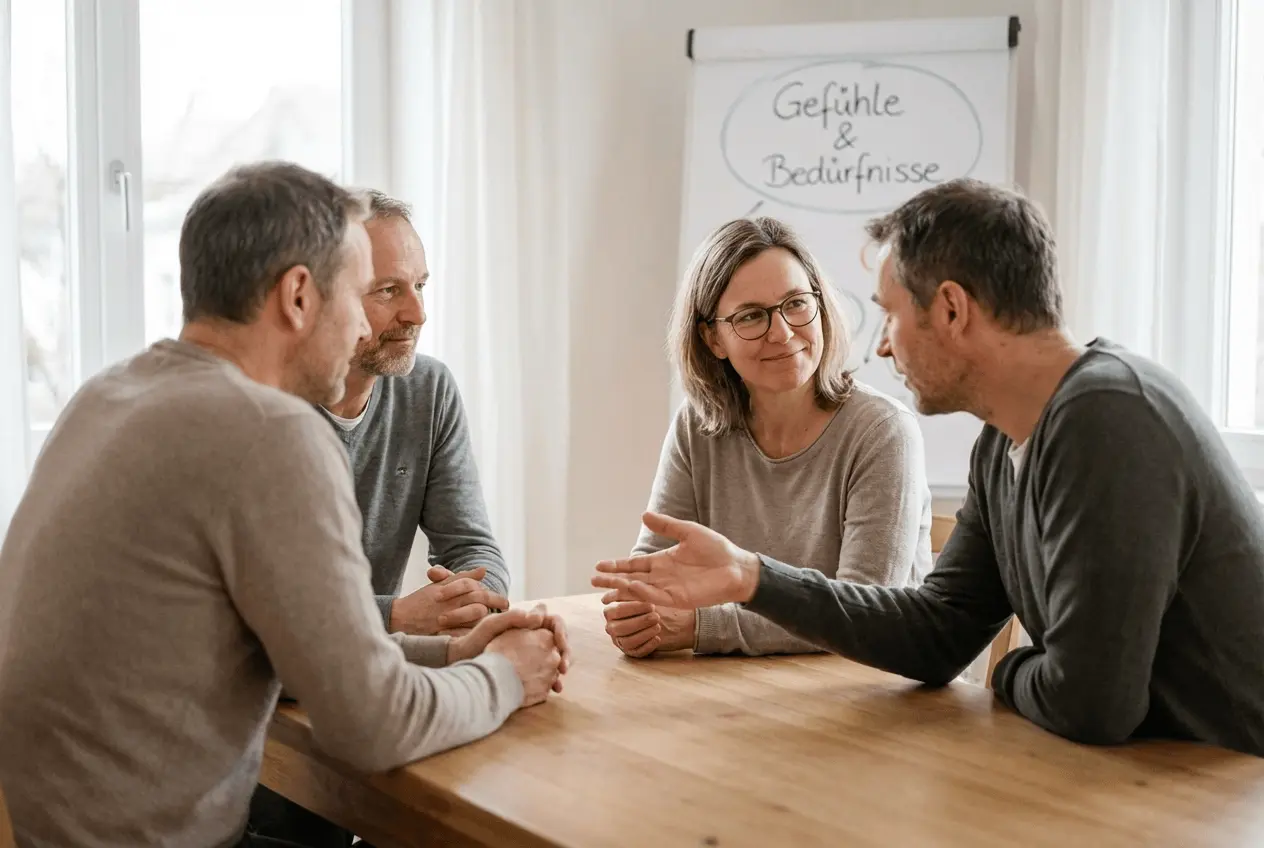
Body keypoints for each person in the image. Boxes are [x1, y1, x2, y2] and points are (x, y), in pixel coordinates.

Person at [0, 161, 569, 848]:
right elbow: (373, 728)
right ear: (299, 295)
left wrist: (450, 653)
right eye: (363, 296)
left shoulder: (109, 395)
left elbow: (283, 653)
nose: (365, 328)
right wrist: (506, 673)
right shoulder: (267, 431)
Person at [592, 178, 1264, 757]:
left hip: (1228, 790)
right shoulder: (1004, 444)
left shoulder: (1109, 417)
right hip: (1155, 776)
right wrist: (751, 577)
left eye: (890, 314)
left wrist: (1005, 674)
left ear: (950, 308)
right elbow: (938, 632)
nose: (881, 345)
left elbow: (1090, 706)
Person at [601, 217, 931, 657]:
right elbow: (652, 575)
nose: (782, 332)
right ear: (712, 338)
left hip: (877, 695)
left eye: (796, 303)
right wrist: (637, 611)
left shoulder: (882, 431)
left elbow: (865, 612)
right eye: (751, 316)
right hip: (746, 690)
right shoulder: (696, 425)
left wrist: (701, 626)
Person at [315, 190, 510, 638]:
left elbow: (472, 546)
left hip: (370, 666)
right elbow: (271, 612)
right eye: (388, 291)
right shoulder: (265, 410)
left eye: (420, 286)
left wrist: (472, 600)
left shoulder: (428, 389)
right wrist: (396, 617)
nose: (417, 314)